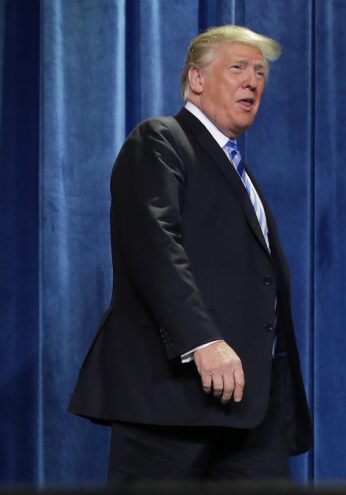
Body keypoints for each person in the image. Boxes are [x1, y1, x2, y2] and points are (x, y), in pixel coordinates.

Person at [68, 25, 312, 481]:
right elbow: (154, 245)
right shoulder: (161, 140)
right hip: (172, 402)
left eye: (260, 73)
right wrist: (203, 341)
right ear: (196, 79)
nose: (252, 81)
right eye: (238, 67)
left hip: (249, 411)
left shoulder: (238, 171)